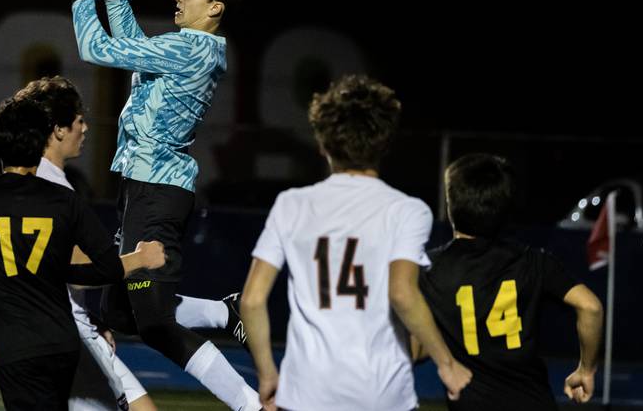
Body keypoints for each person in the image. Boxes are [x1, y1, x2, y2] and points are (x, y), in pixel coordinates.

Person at [56, 0, 259, 411]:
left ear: (215, 9)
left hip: (159, 191)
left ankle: (250, 405)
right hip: (145, 187)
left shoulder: (192, 49)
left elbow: (97, 49)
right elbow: (128, 44)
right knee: (120, 313)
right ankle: (222, 311)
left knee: (155, 322)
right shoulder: (189, 47)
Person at [15, 76, 248, 411]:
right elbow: (76, 271)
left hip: (67, 331)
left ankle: (223, 315)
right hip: (65, 339)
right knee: (147, 320)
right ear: (58, 130)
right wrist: (137, 259)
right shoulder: (53, 191)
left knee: (127, 317)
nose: (86, 128)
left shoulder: (32, 182)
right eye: (80, 120)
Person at [240, 75, 472, 410]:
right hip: (383, 393)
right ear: (386, 142)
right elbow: (403, 293)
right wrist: (447, 365)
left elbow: (251, 300)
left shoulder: (291, 204)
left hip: (307, 391)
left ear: (322, 144)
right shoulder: (406, 210)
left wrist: (267, 375)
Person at [0, 96, 165, 411]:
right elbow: (105, 269)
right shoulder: (65, 201)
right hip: (62, 344)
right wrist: (64, 269)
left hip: (15, 347)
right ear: (41, 144)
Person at [416, 153, 604, 410]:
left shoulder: (429, 269)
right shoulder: (534, 262)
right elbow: (590, 307)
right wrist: (587, 370)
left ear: (451, 206)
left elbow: (415, 349)